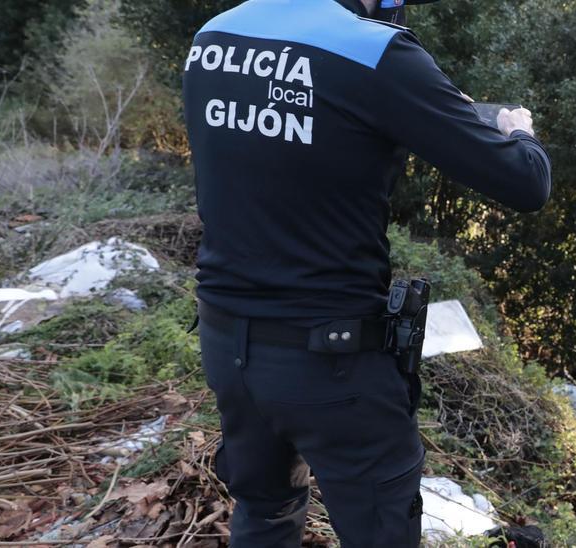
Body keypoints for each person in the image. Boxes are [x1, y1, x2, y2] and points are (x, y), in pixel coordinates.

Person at [181, 0, 552, 545]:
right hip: (332, 363)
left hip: (228, 342)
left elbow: (299, 134)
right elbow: (526, 182)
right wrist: (518, 131)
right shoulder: (377, 52)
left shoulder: (214, 36)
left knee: (264, 512)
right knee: (382, 529)